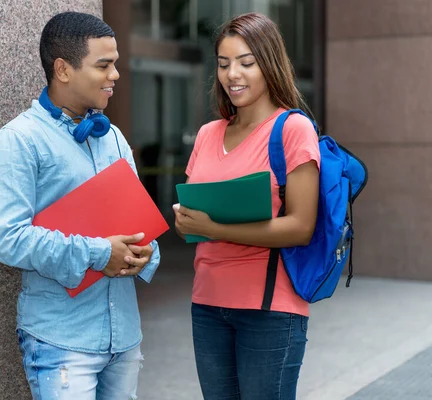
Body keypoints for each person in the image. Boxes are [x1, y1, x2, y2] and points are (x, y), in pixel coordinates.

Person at [0, 11, 161, 400]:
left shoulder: (114, 139)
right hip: (62, 342)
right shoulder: (19, 141)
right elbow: (9, 239)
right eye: (104, 65)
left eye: (116, 64)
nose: (115, 76)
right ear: (63, 69)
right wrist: (99, 253)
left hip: (125, 338)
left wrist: (145, 251)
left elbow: (139, 223)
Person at [172, 12, 320, 400]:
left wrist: (216, 228)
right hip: (207, 304)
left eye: (246, 62)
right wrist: (185, 222)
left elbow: (301, 226)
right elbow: (190, 219)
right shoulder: (208, 134)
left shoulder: (293, 129)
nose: (232, 74)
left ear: (268, 63)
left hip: (269, 309)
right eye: (223, 64)